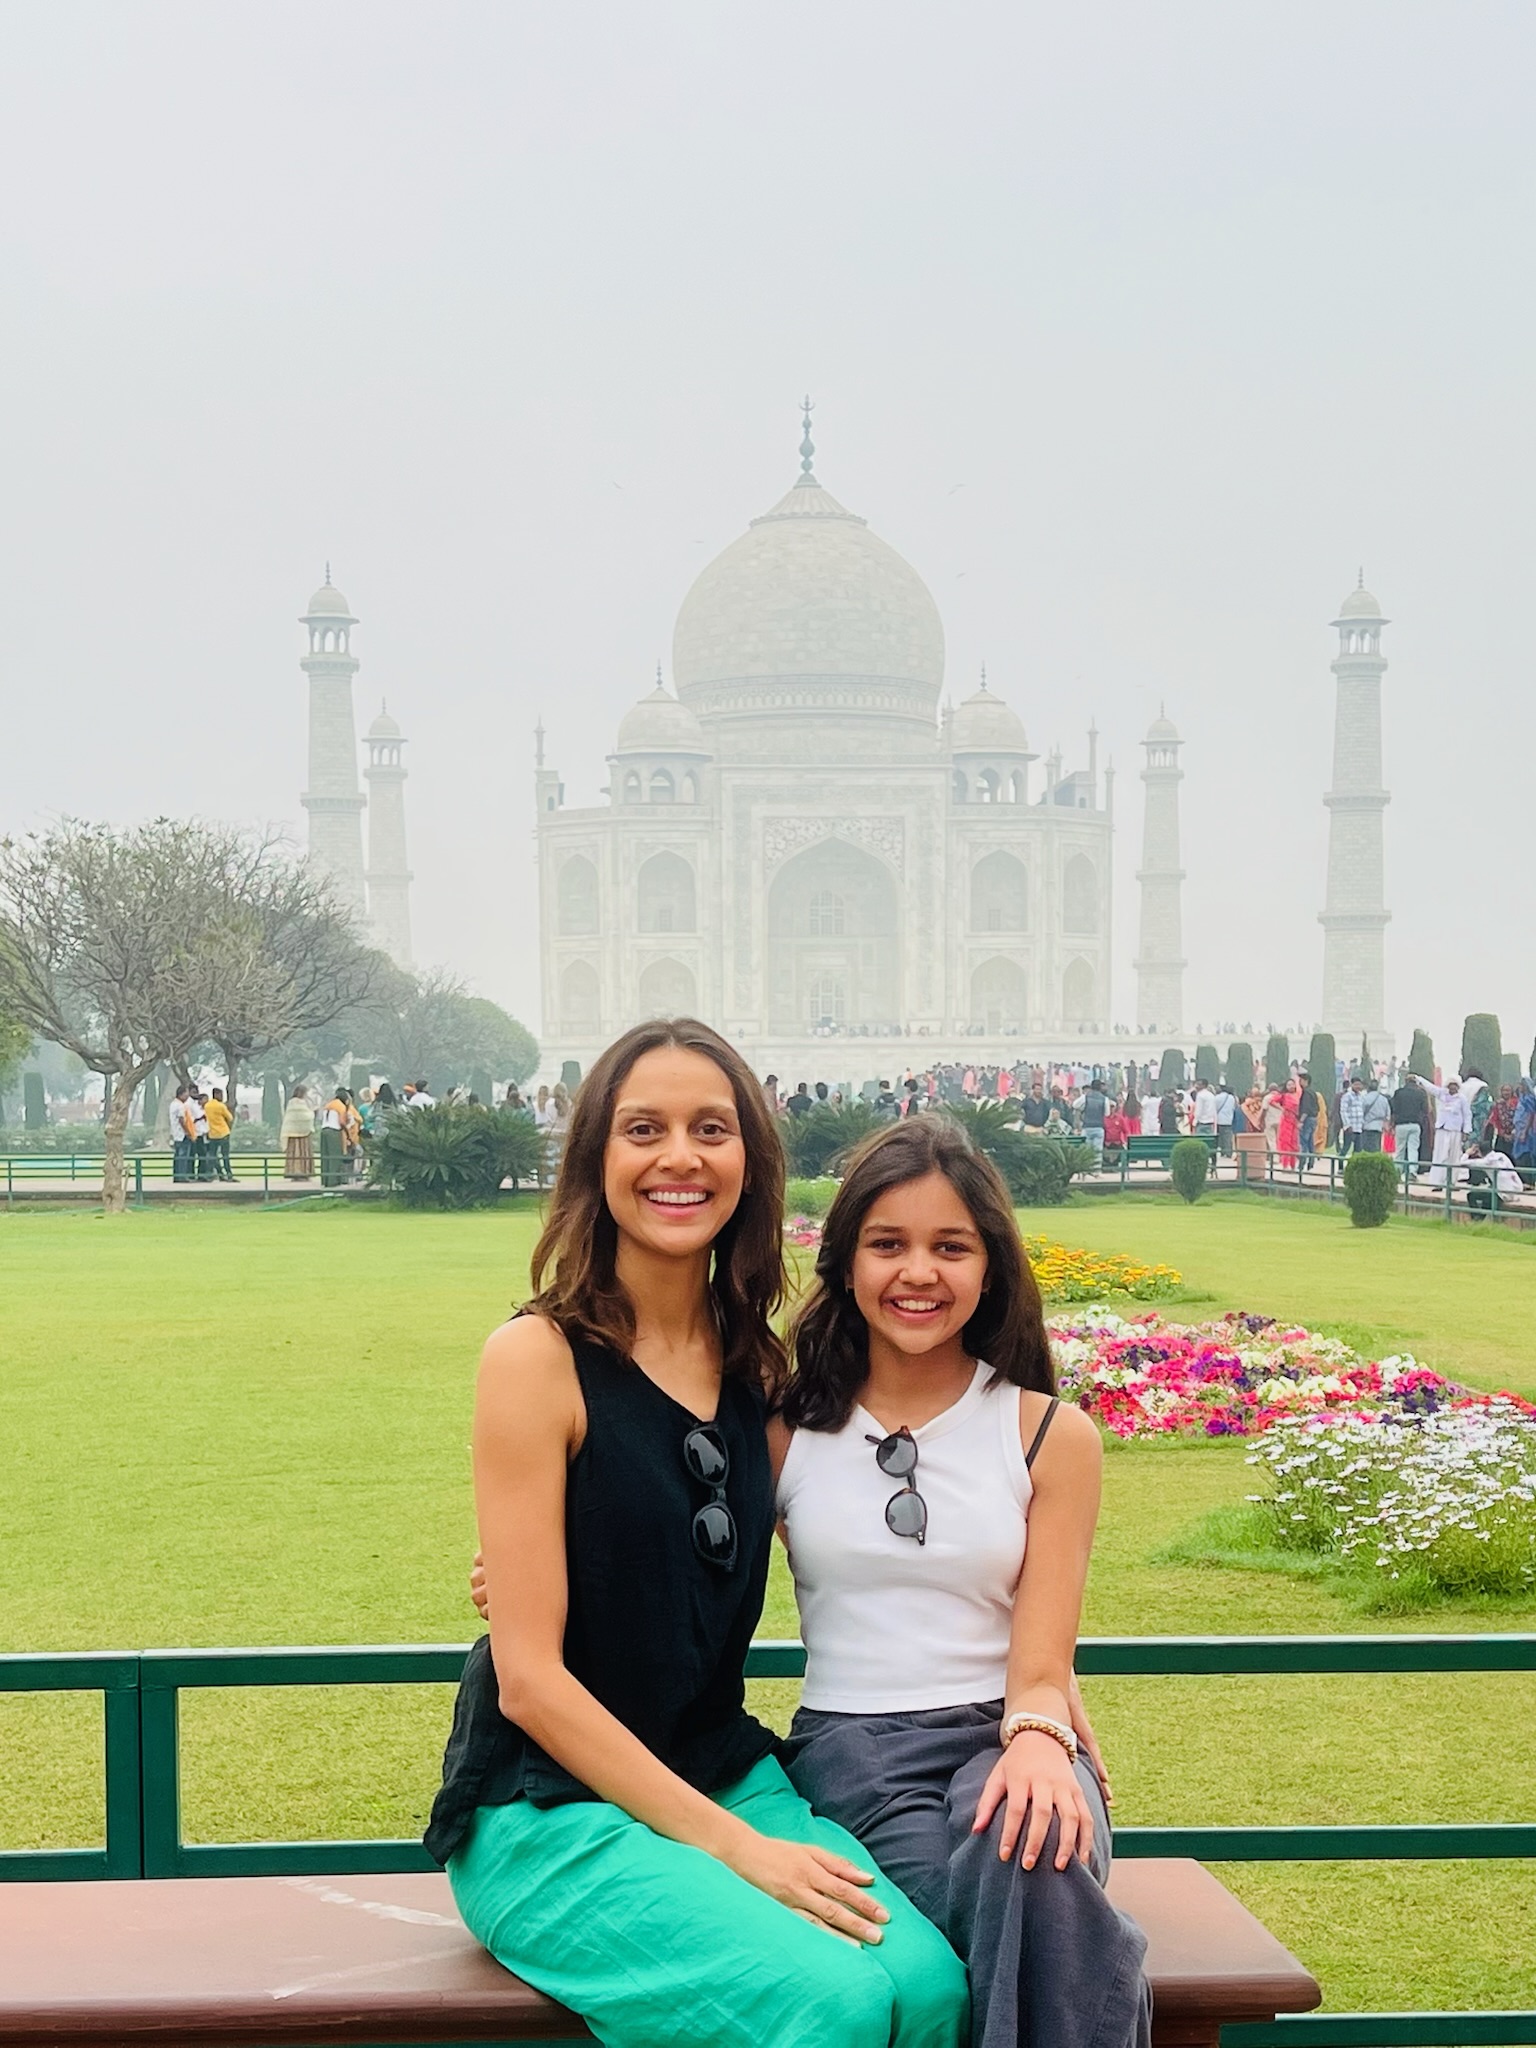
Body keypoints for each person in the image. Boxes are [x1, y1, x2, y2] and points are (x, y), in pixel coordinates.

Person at [433, 1020, 968, 2048]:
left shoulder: (756, 1370)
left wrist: (1044, 1690)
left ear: (749, 1161)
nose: (679, 1156)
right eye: (645, 1128)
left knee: (932, 1987)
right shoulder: (537, 1358)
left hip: (718, 1769)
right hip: (547, 1809)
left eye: (710, 1129)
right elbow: (531, 1682)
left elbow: (885, 1542)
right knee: (835, 2001)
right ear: (596, 1157)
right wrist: (736, 1849)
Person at [774, 1116, 1150, 2048]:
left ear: (990, 1269)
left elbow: (1042, 1660)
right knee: (990, 1904)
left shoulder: (1049, 1434)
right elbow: (670, 1560)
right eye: (887, 1245)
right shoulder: (784, 1432)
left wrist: (1040, 1738)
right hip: (855, 1751)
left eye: (951, 1247)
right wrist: (531, 1569)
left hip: (1010, 1727)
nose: (919, 1273)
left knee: (1029, 1845)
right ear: (845, 1263)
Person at [1421, 1075, 1473, 1189]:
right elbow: (1431, 1088)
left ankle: (1451, 1182)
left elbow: (1467, 1115)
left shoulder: (1462, 1099)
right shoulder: (1442, 1094)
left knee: (1454, 1157)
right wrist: (1418, 1078)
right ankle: (1437, 1182)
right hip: (1442, 1130)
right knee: (1440, 1155)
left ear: (1458, 1087)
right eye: (1450, 1085)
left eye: (1455, 1085)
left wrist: (1466, 1131)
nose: (1452, 1088)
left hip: (1455, 1130)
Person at [1390, 1073, 1429, 1176]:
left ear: (1406, 1081)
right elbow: (1426, 1109)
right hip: (1415, 1124)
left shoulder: (1399, 1093)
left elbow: (1393, 1109)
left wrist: (1392, 1123)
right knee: (1413, 1149)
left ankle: (1398, 1170)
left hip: (1401, 1124)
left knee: (1400, 1149)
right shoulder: (1420, 1093)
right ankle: (1412, 1171)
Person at [279, 1085, 315, 1180]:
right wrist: (313, 1113)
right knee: (303, 1154)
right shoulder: (300, 1103)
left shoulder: (290, 1103)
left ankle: (294, 1173)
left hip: (291, 1133)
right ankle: (303, 1173)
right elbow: (306, 1116)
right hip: (303, 1135)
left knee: (294, 1154)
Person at [205, 1087, 235, 1181]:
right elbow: (230, 1118)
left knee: (212, 1155)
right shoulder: (221, 1106)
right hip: (223, 1132)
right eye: (221, 1095)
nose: (222, 1097)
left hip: (212, 1134)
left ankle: (209, 1174)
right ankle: (229, 1174)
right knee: (225, 1155)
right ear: (216, 1094)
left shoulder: (207, 1106)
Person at [1078, 1077, 1107, 1170]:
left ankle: (1087, 1168)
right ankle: (1097, 1169)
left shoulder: (1085, 1097)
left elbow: (1075, 1105)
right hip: (1099, 1126)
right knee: (1098, 1150)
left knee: (1087, 1150)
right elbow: (1107, 1113)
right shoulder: (1104, 1099)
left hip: (1087, 1126)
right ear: (1100, 1087)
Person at [169, 1084, 194, 1183]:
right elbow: (182, 1120)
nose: (187, 1097)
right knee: (183, 1156)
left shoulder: (173, 1104)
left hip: (176, 1134)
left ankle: (177, 1176)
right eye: (186, 1094)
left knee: (177, 1156)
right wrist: (188, 1132)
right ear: (181, 1094)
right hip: (182, 1134)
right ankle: (182, 1176)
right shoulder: (180, 1105)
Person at [1294, 1074, 1320, 1169]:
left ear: (1306, 1081)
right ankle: (1311, 1161)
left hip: (1307, 1119)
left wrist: (1301, 1121)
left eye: (1301, 1080)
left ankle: (1302, 1163)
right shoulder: (1312, 1092)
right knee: (1310, 1141)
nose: (1299, 1082)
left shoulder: (1306, 1093)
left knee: (1303, 1141)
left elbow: (1306, 1108)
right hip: (1313, 1119)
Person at [188, 1089, 212, 1180]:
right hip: (196, 1134)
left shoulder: (205, 1109)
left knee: (203, 1155)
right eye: (205, 1099)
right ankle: (191, 1175)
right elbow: (194, 1120)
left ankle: (202, 1174)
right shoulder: (194, 1108)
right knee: (195, 1155)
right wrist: (200, 1118)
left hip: (203, 1134)